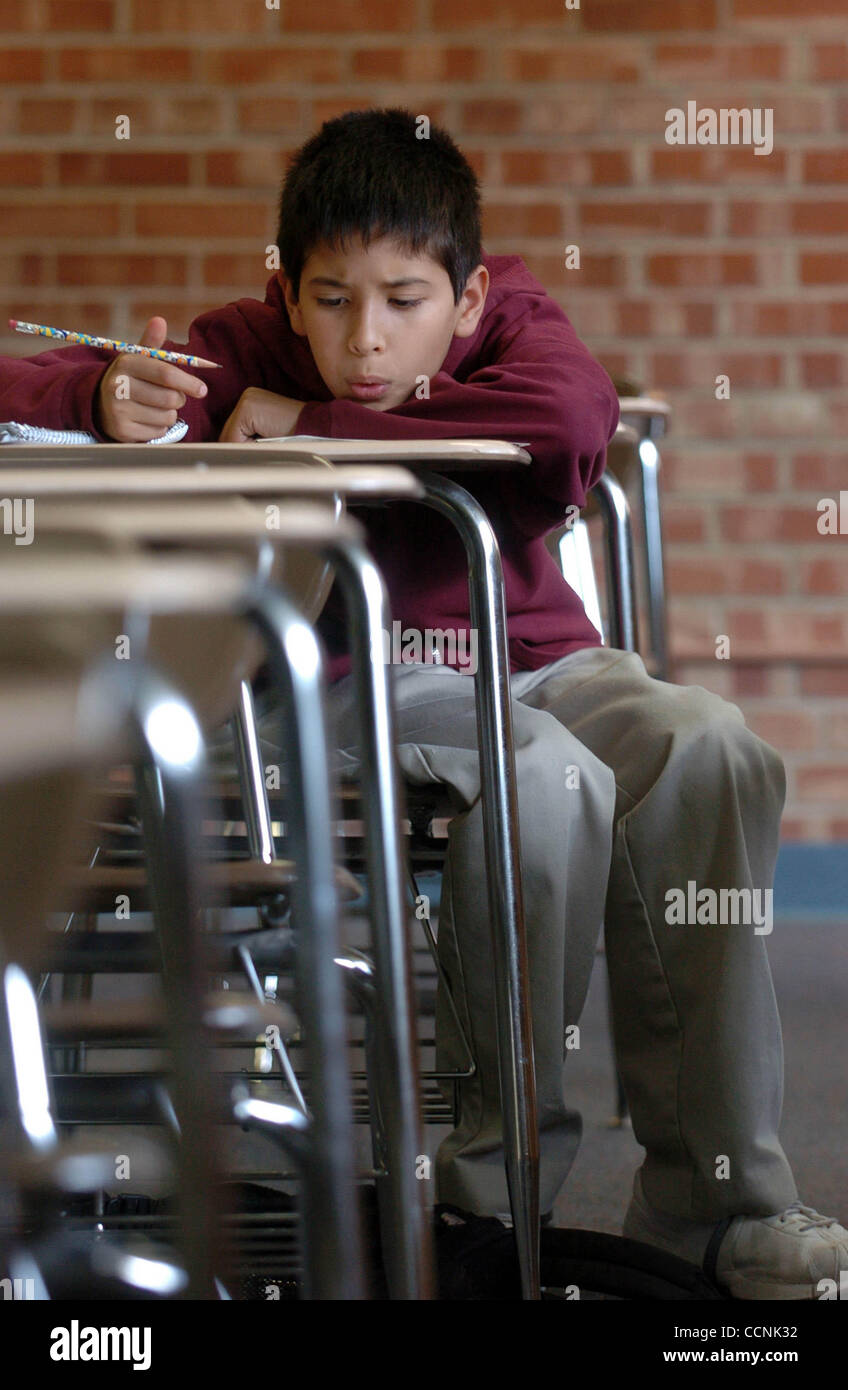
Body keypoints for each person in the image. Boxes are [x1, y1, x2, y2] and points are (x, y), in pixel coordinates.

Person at [3, 107, 846, 1301]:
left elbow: (564, 425)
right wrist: (102, 392)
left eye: (403, 300)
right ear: (286, 293)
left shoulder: (518, 326)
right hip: (370, 680)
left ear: (467, 296)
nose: (364, 340)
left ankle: (718, 1202)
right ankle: (493, 1203)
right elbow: (34, 389)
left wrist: (315, 427)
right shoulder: (246, 346)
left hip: (544, 659)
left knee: (712, 746)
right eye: (332, 299)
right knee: (543, 777)